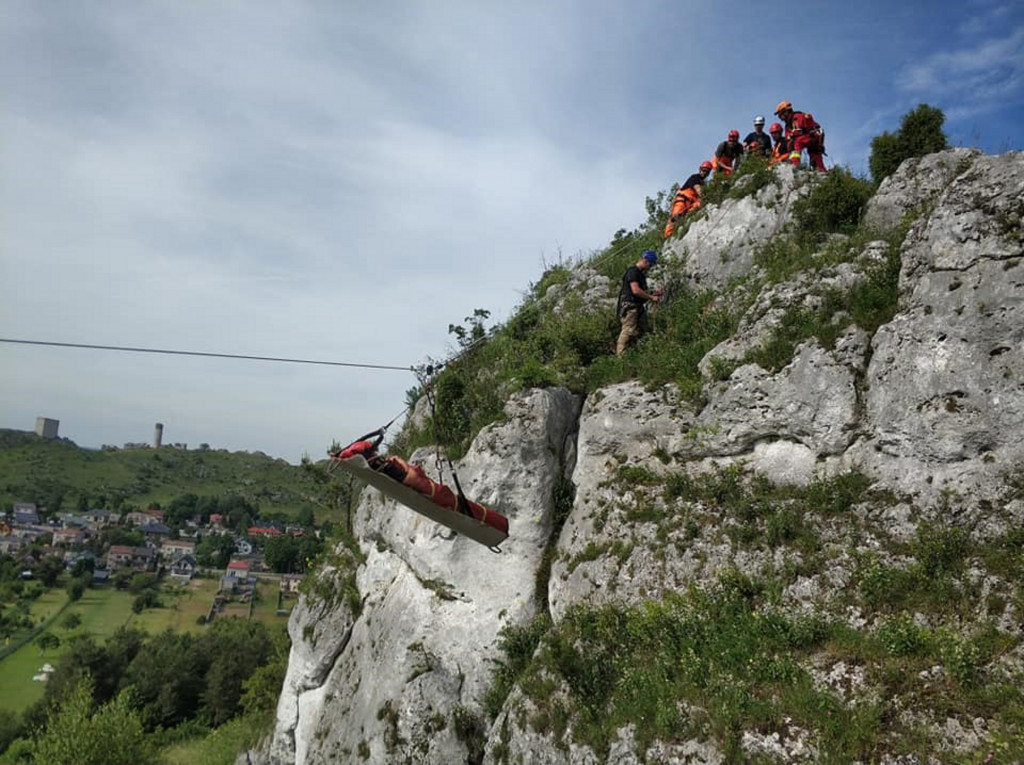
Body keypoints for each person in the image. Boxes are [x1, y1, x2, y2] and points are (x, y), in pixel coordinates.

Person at [616, 250, 662, 356]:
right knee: (628, 331)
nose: (649, 267)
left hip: (637, 307)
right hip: (630, 308)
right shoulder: (633, 272)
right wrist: (651, 297)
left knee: (642, 330)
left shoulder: (639, 274)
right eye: (650, 264)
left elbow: (640, 291)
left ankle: (639, 354)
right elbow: (635, 290)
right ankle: (621, 356)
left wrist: (653, 293)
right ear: (646, 261)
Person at [663, 161, 713, 238]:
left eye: (706, 172)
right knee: (675, 218)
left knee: (699, 204)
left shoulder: (702, 183)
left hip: (690, 203)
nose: (704, 173)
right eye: (703, 170)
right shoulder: (695, 177)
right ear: (700, 169)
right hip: (682, 201)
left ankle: (679, 231)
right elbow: (699, 190)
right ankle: (668, 236)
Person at [774, 100, 827, 172]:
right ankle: (822, 172)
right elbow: (788, 140)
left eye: (781, 115)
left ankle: (796, 165)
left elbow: (815, 129)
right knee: (816, 162)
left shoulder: (799, 117)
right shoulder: (788, 126)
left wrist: (820, 144)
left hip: (813, 138)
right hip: (809, 140)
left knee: (797, 142)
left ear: (786, 112)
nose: (780, 118)